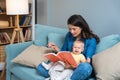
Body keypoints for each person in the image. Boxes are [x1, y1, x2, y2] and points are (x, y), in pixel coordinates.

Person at [37, 14, 100, 80]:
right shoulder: (69, 35)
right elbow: (63, 52)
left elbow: (87, 62)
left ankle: (60, 77)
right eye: (70, 29)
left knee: (86, 67)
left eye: (74, 29)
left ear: (81, 27)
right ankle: (60, 77)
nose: (71, 31)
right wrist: (56, 48)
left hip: (77, 69)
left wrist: (70, 67)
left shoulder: (91, 40)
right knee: (40, 67)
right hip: (64, 66)